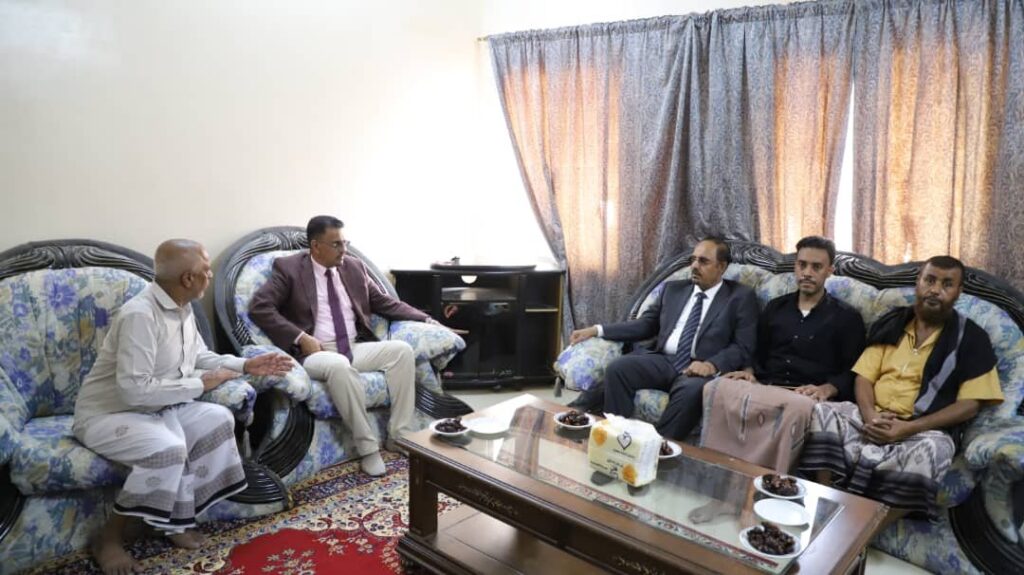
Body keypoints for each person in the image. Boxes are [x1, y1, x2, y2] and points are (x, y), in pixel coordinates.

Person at [73, 239, 293, 575]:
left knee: (218, 417)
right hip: (109, 414)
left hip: (158, 407)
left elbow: (199, 357)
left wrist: (245, 365)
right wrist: (200, 385)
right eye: (206, 269)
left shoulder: (182, 306)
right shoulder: (140, 315)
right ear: (188, 279)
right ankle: (109, 538)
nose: (210, 275)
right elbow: (133, 391)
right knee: (168, 450)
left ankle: (174, 521)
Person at [798, 256, 1004, 519]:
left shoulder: (972, 338)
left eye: (947, 284)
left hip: (922, 428)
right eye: (930, 280)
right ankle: (824, 502)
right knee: (823, 411)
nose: (935, 290)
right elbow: (864, 377)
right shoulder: (893, 323)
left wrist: (908, 428)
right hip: (870, 416)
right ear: (918, 282)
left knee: (936, 449)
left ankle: (870, 529)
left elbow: (970, 405)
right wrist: (870, 415)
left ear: (958, 292)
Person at [249, 215, 446, 477]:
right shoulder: (289, 269)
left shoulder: (354, 267)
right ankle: (368, 449)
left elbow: (384, 302)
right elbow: (260, 307)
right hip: (316, 351)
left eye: (345, 242)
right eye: (336, 244)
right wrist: (300, 337)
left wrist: (426, 319)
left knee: (401, 351)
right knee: (339, 366)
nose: (344, 250)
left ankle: (398, 435)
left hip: (353, 345)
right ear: (316, 246)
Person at [701, 236, 866, 471]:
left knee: (796, 408)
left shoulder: (847, 317)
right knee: (715, 387)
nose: (807, 273)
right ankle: (714, 468)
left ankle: (770, 478)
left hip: (804, 395)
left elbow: (854, 370)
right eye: (802, 265)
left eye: (816, 267)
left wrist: (827, 389)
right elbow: (756, 351)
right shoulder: (775, 308)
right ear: (795, 266)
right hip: (766, 386)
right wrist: (748, 371)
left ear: (830, 271)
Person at [570, 238, 759, 440]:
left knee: (691, 391)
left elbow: (743, 345)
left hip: (698, 368)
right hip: (663, 360)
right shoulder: (673, 290)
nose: (695, 266)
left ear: (721, 267)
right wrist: (597, 330)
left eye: (703, 261)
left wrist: (711, 365)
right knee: (619, 368)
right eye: (693, 260)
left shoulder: (740, 297)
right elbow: (645, 325)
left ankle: (660, 447)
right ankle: (616, 438)